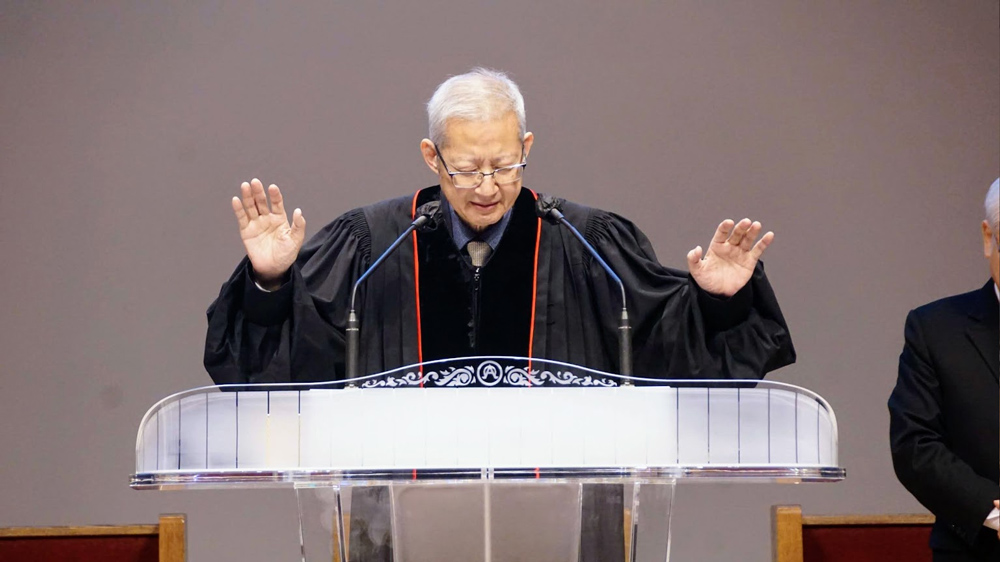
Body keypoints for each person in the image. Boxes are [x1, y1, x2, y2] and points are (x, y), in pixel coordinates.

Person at [204, 68, 795, 385]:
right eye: (466, 169)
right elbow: (290, 363)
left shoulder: (585, 241)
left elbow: (664, 347)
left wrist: (719, 303)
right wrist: (270, 284)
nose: (487, 186)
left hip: (565, 511)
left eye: (505, 165)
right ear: (432, 157)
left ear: (527, 147)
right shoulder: (373, 244)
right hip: (396, 515)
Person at [888, 178, 1000, 561]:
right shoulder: (936, 329)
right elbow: (915, 446)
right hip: (979, 549)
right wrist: (994, 512)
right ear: (988, 238)